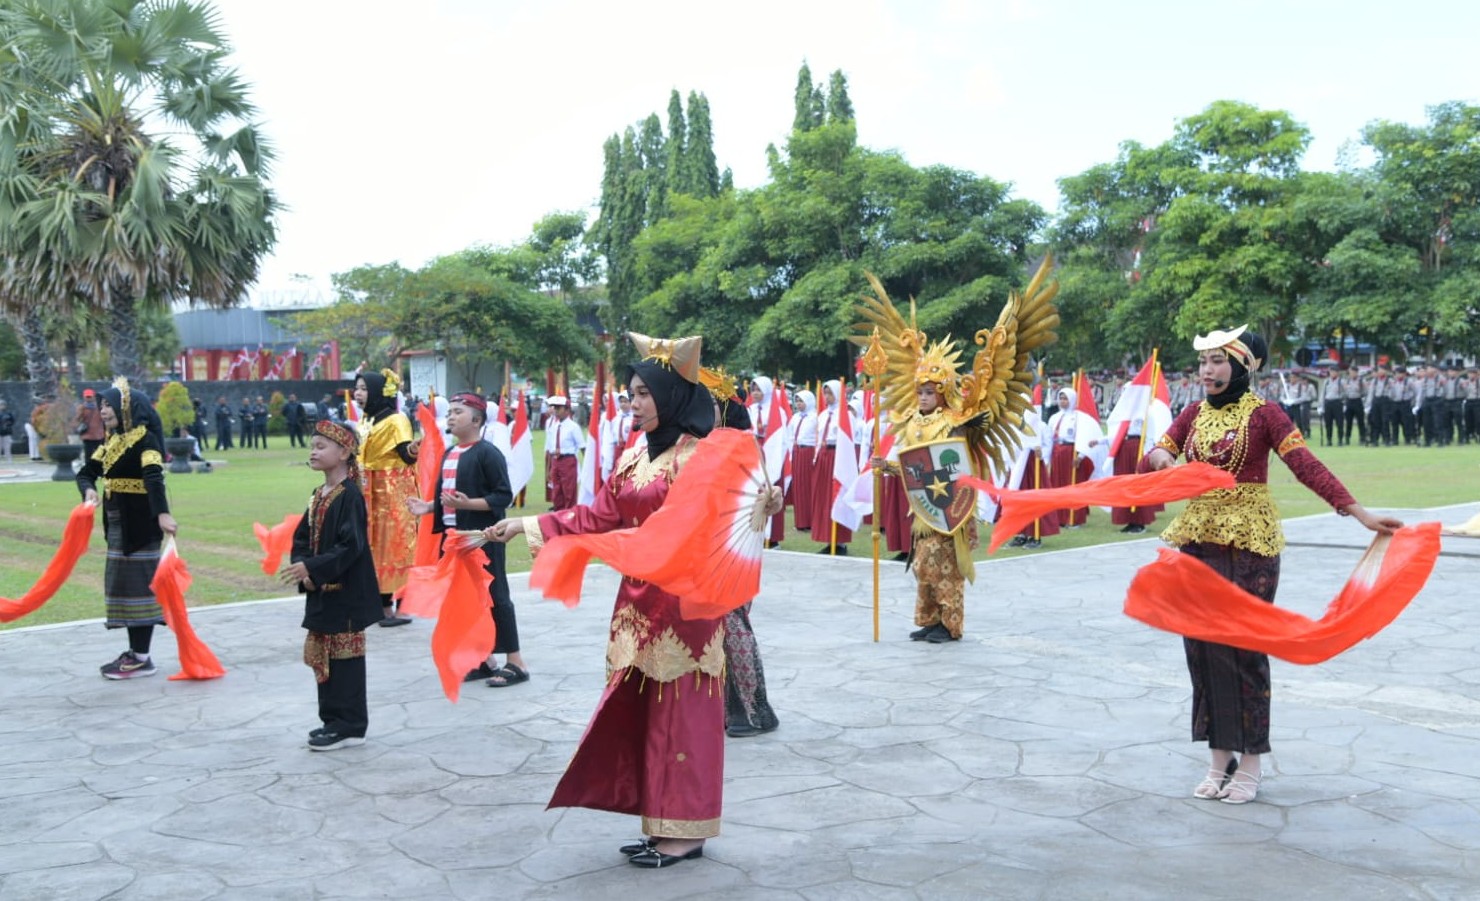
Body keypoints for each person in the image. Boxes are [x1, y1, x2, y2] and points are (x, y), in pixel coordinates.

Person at [486, 332, 732, 869]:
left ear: (670, 396)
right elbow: (596, 516)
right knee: (642, 714)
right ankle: (659, 821)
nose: (634, 404)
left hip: (687, 606)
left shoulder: (699, 458)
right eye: (632, 394)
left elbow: (715, 523)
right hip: (637, 604)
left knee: (682, 718)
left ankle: (686, 829)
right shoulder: (631, 459)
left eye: (644, 394)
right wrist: (527, 525)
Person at [1142, 326, 1401, 805]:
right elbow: (1154, 456)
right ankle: (1220, 757)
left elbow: (1307, 466)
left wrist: (1359, 513)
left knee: (1243, 647)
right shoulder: (1192, 414)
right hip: (1197, 541)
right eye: (1204, 363)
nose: (1207, 371)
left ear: (1241, 366)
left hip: (1250, 545)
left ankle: (1253, 760)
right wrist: (1159, 456)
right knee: (1201, 648)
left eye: (1218, 361)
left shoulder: (1266, 414)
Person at [405, 393, 528, 687]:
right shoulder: (450, 454)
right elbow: (450, 497)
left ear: (476, 420)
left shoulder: (488, 453)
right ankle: (485, 660)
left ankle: (516, 662)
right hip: (454, 540)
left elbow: (502, 496)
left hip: (482, 539)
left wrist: (467, 505)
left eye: (458, 412)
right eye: (450, 412)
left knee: (496, 596)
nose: (450, 416)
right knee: (466, 600)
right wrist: (429, 507)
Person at [280, 419, 383, 750]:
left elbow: (351, 546)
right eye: (312, 445)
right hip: (323, 589)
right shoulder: (318, 495)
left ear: (343, 452)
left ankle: (350, 724)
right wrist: (305, 568)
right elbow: (301, 536)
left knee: (345, 660)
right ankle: (332, 721)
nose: (313, 451)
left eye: (321, 446)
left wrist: (312, 567)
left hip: (347, 594)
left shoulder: (350, 496)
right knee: (324, 655)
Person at [76, 380, 178, 679]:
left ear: (127, 408)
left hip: (141, 525)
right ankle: (135, 653)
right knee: (123, 587)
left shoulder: (144, 439)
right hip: (117, 524)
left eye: (108, 405)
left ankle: (141, 657)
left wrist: (162, 514)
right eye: (101, 405)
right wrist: (88, 491)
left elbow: (153, 477)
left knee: (140, 589)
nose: (103, 410)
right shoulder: (111, 441)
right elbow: (86, 473)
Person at [704, 369, 781, 738]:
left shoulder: (744, 446)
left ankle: (751, 710)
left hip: (734, 546)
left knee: (733, 626)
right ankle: (723, 707)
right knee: (716, 629)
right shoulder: (708, 445)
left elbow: (756, 497)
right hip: (711, 544)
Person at [354, 369, 420, 626]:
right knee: (373, 548)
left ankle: (401, 606)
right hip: (368, 492)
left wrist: (416, 448)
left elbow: (406, 454)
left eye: (363, 389)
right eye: (357, 389)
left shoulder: (396, 420)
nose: (358, 394)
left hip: (393, 494)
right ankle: (381, 605)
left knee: (397, 548)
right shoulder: (365, 421)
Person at [1044, 387, 1106, 527]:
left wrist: (1081, 455)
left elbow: (1086, 437)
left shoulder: (1079, 418)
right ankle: (1059, 517)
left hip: (1071, 454)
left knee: (1072, 485)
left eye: (1065, 398)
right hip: (1057, 453)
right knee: (1058, 485)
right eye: (1061, 398)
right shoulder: (1054, 417)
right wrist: (1047, 458)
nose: (1062, 401)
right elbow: (1049, 439)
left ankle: (1074, 518)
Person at [747, 376, 789, 549]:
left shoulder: (778, 411)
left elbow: (782, 437)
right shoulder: (749, 409)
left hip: (770, 452)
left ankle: (773, 538)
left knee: (772, 491)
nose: (756, 393)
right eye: (753, 389)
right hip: (753, 452)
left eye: (759, 390)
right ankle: (754, 531)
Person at [810, 380, 851, 555]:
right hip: (823, 457)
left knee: (836, 497)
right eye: (825, 393)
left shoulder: (845, 414)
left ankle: (840, 541)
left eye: (830, 393)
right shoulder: (822, 415)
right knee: (824, 498)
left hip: (837, 457)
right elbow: (818, 437)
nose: (827, 397)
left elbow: (848, 439)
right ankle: (827, 538)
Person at [543, 395, 582, 511]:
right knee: (557, 491)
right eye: (555, 408)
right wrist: (549, 468)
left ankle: (570, 515)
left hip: (567, 459)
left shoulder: (573, 427)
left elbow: (582, 446)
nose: (556, 411)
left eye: (559, 408)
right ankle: (558, 514)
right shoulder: (554, 427)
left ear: (567, 410)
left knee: (569, 490)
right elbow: (550, 448)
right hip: (556, 460)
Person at [77, 390, 105, 461]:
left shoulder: (99, 407)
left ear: (93, 397)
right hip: (88, 436)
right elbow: (78, 419)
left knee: (99, 455)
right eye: (87, 397)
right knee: (88, 455)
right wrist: (80, 412)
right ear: (84, 397)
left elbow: (103, 419)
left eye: (90, 396)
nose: (88, 398)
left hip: (99, 435)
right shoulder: (82, 408)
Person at [0, 398, 14, 463]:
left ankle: (9, 460)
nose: (2, 406)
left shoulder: (8, 413)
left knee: (7, 447)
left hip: (7, 432)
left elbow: (13, 421)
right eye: (1, 405)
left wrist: (8, 424)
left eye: (3, 405)